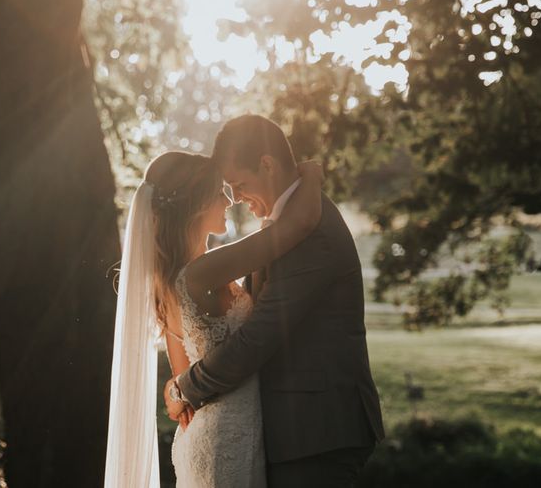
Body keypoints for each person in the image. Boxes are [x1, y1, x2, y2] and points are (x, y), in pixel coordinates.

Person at [165, 115, 385, 487]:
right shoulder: (293, 219)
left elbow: (259, 336)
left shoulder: (313, 232)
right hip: (291, 431)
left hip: (317, 431)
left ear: (267, 164)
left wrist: (184, 387)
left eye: (239, 184)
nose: (235, 199)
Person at [104, 149, 324, 487]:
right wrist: (310, 174)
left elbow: (183, 383)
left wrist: (176, 393)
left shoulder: (168, 282)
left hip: (204, 439)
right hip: (229, 441)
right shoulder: (204, 271)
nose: (229, 200)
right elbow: (300, 224)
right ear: (195, 203)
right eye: (219, 191)